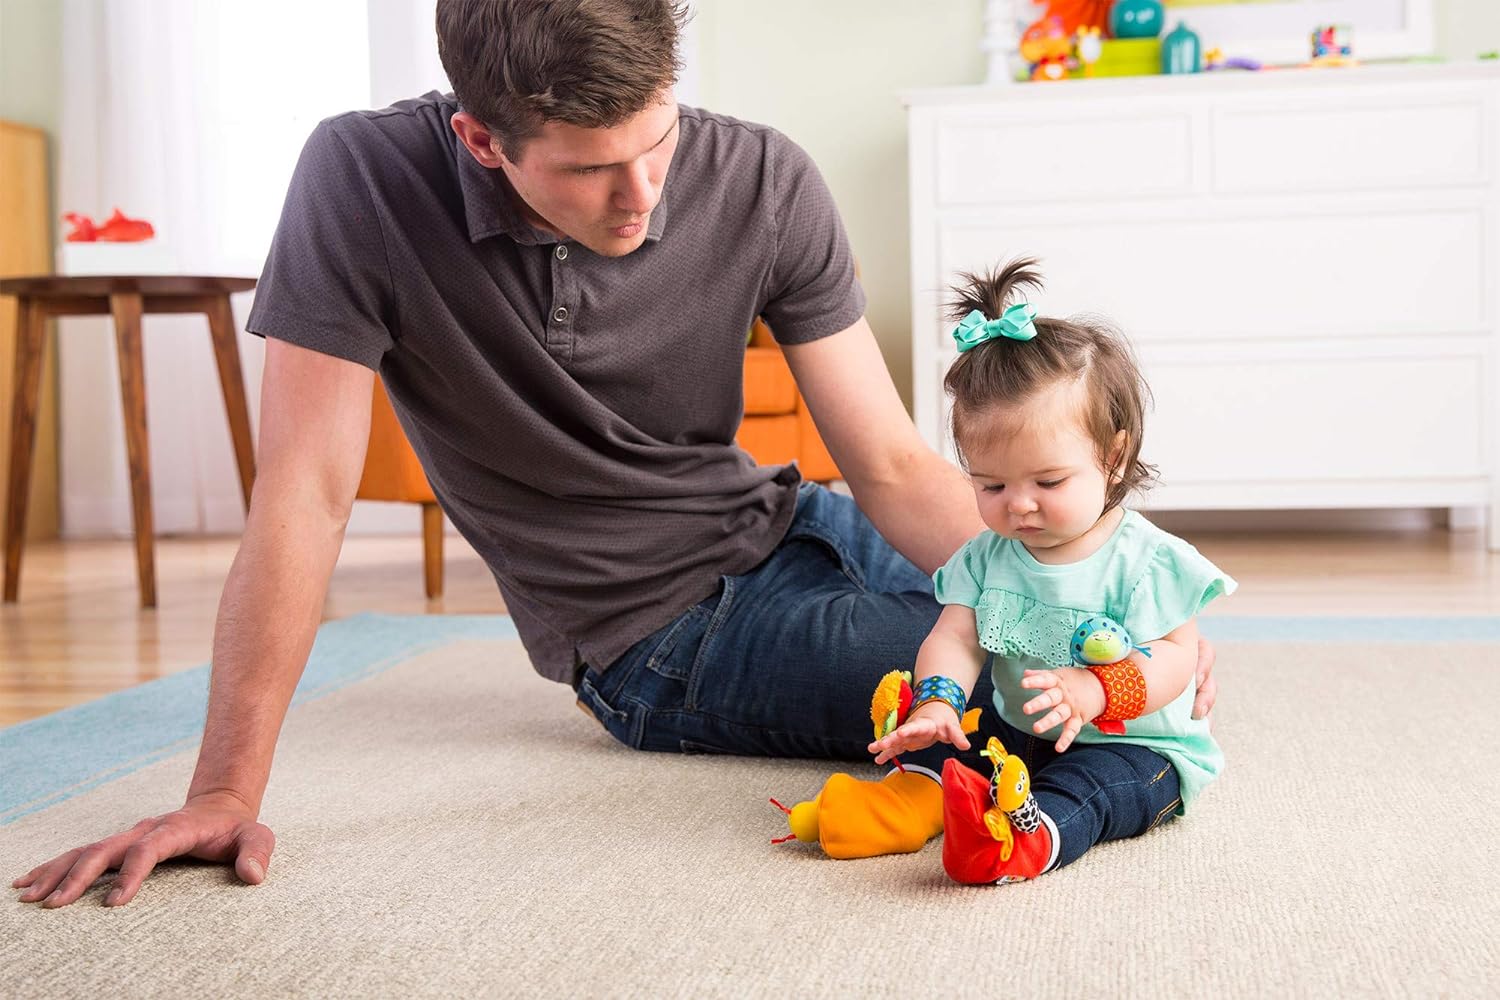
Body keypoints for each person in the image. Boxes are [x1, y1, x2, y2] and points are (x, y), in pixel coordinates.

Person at [12, 1, 1218, 910]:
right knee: (1026, 712)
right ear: (482, 139)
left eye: (657, 142)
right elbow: (305, 496)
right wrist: (224, 788)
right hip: (660, 634)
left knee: (1074, 647)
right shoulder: (363, 179)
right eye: (589, 169)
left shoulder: (763, 176)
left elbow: (898, 467)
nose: (640, 195)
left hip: (794, 523)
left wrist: (1085, 593)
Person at [867, 259, 1233, 885]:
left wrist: (1094, 692)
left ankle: (1033, 842)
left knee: (1094, 791)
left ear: (1113, 458)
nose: (1019, 503)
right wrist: (937, 701)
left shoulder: (1148, 562)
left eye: (1049, 481)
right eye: (991, 483)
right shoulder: (987, 558)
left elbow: (1176, 659)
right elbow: (954, 637)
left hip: (1136, 748)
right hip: (1022, 735)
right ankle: (918, 803)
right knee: (958, 752)